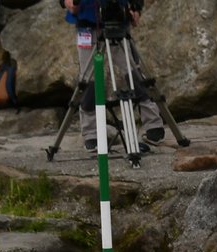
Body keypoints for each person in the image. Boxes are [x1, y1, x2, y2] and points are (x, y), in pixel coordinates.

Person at [63, 0, 163, 155]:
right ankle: (91, 133)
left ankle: (153, 124)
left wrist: (136, 7)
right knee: (89, 79)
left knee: (133, 73)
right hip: (87, 24)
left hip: (118, 21)